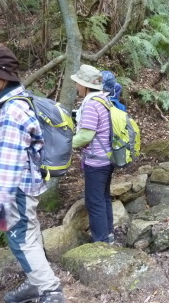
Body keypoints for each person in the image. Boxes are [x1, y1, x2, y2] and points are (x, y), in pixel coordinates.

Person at [0, 47, 65, 303]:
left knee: (20, 240)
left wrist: (1, 201)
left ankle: (50, 292)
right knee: (30, 235)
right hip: (27, 183)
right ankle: (37, 284)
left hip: (17, 188)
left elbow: (10, 161)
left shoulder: (12, 111)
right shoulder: (14, 101)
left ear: (4, 75)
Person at [71, 65, 115, 244]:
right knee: (103, 198)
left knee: (94, 202)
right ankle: (108, 234)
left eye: (78, 83)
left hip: (96, 161)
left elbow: (86, 136)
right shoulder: (105, 100)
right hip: (108, 157)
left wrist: (66, 144)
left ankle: (101, 242)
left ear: (85, 85)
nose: (76, 87)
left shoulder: (90, 104)